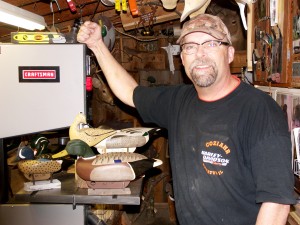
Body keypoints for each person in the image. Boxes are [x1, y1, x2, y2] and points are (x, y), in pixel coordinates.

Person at [77, 14, 296, 225]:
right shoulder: (178, 100)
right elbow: (129, 93)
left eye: (211, 44)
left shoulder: (261, 111)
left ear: (229, 54)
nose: (199, 54)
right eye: (190, 47)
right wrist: (97, 45)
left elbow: (276, 203)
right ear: (182, 58)